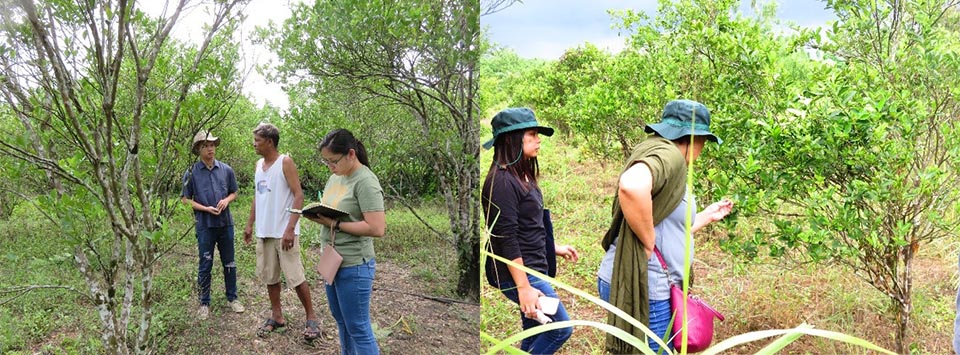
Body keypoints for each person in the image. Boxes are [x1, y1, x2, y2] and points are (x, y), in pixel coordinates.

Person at [596, 99, 733, 353]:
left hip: (628, 274)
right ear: (694, 138)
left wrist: (706, 215)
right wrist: (648, 241)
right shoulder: (670, 156)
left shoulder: (654, 151)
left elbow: (667, 226)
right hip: (648, 284)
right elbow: (631, 186)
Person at [482, 107, 580, 355]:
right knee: (560, 328)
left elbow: (528, 226)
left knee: (534, 329)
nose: (538, 141)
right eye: (532, 135)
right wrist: (523, 288)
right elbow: (506, 238)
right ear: (511, 139)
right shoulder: (502, 182)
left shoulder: (522, 173)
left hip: (534, 263)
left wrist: (554, 248)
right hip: (519, 271)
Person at [303, 128, 386, 355]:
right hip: (332, 260)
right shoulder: (335, 178)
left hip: (354, 264)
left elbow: (377, 228)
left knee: (358, 327)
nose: (330, 167)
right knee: (342, 321)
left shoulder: (365, 181)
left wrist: (335, 224)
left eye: (334, 161)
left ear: (351, 154)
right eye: (326, 162)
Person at [242, 123, 320, 342]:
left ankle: (311, 317)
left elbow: (298, 195)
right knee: (270, 275)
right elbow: (258, 197)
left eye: (257, 140)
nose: (254, 144)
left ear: (269, 141)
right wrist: (250, 224)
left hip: (284, 232)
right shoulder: (259, 165)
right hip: (264, 230)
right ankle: (277, 316)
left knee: (295, 276)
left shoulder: (285, 162)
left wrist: (290, 228)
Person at [181, 130, 244, 320]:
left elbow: (234, 192)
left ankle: (232, 298)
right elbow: (185, 199)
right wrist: (206, 209)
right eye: (206, 146)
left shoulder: (226, 170)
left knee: (229, 262)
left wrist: (226, 200)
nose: (210, 149)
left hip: (225, 224)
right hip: (204, 225)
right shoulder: (191, 172)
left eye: (212, 145)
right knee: (205, 264)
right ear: (198, 149)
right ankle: (204, 302)